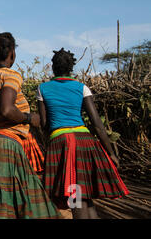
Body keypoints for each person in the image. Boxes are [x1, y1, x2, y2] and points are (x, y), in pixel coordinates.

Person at [0, 33, 61, 219]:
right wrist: (28, 117)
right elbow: (7, 110)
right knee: (11, 206)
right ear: (12, 54)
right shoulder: (11, 75)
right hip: (6, 147)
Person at [37, 48, 129, 219]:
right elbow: (97, 125)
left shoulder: (43, 88)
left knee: (75, 194)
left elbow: (44, 123)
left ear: (53, 67)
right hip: (85, 141)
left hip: (62, 142)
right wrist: (111, 153)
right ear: (71, 67)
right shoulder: (82, 88)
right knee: (84, 196)